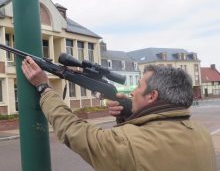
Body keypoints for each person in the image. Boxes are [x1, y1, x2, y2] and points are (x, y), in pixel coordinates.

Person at [21, 56, 216, 171]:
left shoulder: (128, 142)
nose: (132, 92)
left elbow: (74, 131)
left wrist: (44, 88)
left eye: (138, 87)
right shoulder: (201, 133)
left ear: (152, 96)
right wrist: (129, 114)